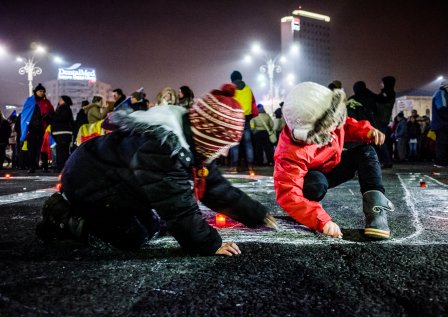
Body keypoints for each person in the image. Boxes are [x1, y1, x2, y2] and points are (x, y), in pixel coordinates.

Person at [36, 84, 277, 256]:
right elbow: (178, 208)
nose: (224, 153)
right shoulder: (165, 149)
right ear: (209, 136)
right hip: (90, 182)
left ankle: (88, 215)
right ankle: (64, 217)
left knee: (152, 225)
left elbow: (214, 187)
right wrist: (208, 244)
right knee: (133, 236)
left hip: (110, 179)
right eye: (224, 145)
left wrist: (255, 213)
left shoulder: (191, 141)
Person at [274, 82, 392, 240]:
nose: (334, 128)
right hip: (313, 176)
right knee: (313, 185)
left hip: (333, 165)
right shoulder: (289, 151)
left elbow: (345, 125)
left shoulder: (330, 117)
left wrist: (366, 131)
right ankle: (309, 209)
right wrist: (321, 220)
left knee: (366, 152)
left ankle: (376, 208)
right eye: (328, 127)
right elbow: (288, 194)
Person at [20, 83, 55, 173]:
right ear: (35, 91)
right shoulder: (30, 101)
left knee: (43, 148)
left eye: (43, 91)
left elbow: (51, 113)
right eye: (40, 91)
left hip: (42, 129)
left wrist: (48, 118)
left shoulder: (46, 102)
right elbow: (25, 114)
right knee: (31, 149)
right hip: (31, 129)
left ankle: (45, 166)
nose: (42, 93)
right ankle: (32, 167)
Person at [228, 70, 258, 174]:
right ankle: (250, 166)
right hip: (246, 118)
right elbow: (253, 103)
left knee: (235, 143)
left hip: (235, 118)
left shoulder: (231, 89)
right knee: (248, 143)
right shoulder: (248, 89)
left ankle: (234, 167)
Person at [431, 78, 448, 168]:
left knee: (442, 143)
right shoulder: (441, 93)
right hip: (441, 124)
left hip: (440, 123)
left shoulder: (440, 93)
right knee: (442, 143)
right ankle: (440, 162)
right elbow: (442, 108)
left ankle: (441, 161)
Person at [374, 76, 396, 169]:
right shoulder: (388, 93)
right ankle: (384, 160)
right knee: (380, 141)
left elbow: (379, 100)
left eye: (382, 82)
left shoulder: (388, 93)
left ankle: (387, 161)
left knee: (380, 141)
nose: (381, 84)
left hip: (381, 119)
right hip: (383, 119)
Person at [50, 95, 74, 172]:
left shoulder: (65, 108)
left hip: (63, 133)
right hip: (61, 133)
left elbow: (60, 118)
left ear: (64, 101)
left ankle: (62, 168)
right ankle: (61, 167)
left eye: (60, 99)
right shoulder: (63, 108)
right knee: (61, 151)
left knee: (62, 151)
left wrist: (51, 116)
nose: (59, 101)